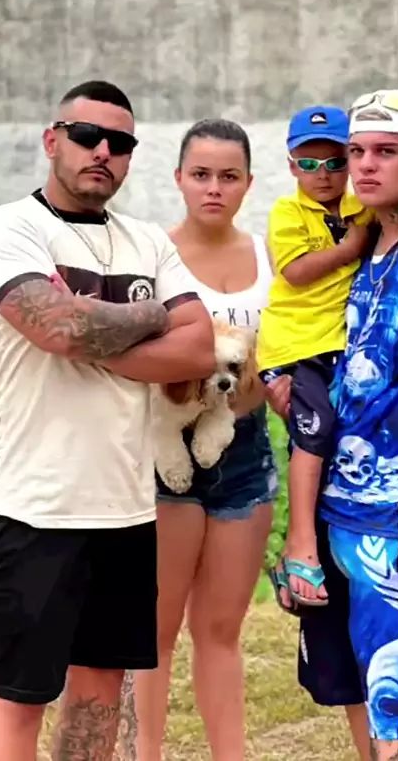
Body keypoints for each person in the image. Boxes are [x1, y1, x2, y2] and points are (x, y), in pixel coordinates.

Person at [0, 80, 215, 761]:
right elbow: (57, 328)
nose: (102, 152)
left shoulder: (146, 240)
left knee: (99, 696)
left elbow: (199, 349)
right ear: (52, 140)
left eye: (120, 143)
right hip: (32, 507)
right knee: (16, 702)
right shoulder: (11, 228)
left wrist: (92, 330)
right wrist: (151, 316)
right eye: (87, 136)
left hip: (124, 510)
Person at [270, 89, 398, 761]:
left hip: (397, 511)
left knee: (393, 684)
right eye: (356, 151)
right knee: (354, 677)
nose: (363, 164)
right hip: (338, 499)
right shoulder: (362, 243)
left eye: (386, 151)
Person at [115, 119, 277, 761]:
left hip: (246, 451)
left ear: (248, 184)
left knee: (221, 630)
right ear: (179, 178)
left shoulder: (271, 256)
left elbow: (282, 355)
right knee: (154, 631)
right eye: (201, 174)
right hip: (166, 451)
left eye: (228, 176)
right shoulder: (152, 255)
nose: (214, 188)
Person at [257, 104, 398, 611]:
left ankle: (306, 547)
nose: (324, 174)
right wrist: (352, 247)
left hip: (334, 359)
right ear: (291, 166)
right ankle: (298, 543)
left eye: (336, 162)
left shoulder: (366, 211)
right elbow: (294, 272)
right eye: (309, 163)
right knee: (314, 431)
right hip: (296, 349)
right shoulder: (292, 214)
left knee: (325, 429)